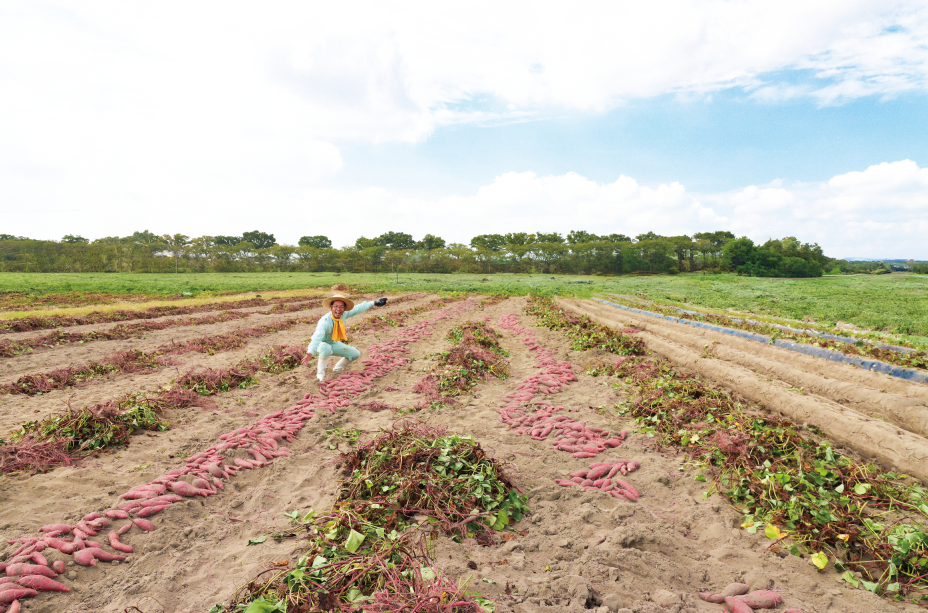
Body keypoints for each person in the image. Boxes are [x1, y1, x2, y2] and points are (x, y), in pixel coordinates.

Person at [301, 293, 388, 381]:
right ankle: (320, 377)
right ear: (331, 307)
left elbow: (358, 309)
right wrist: (310, 351)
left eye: (341, 307)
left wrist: (374, 302)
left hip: (332, 343)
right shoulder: (325, 322)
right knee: (325, 347)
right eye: (336, 306)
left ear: (345, 308)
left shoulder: (344, 314)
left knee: (355, 354)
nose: (338, 309)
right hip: (318, 346)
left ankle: (337, 370)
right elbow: (317, 337)